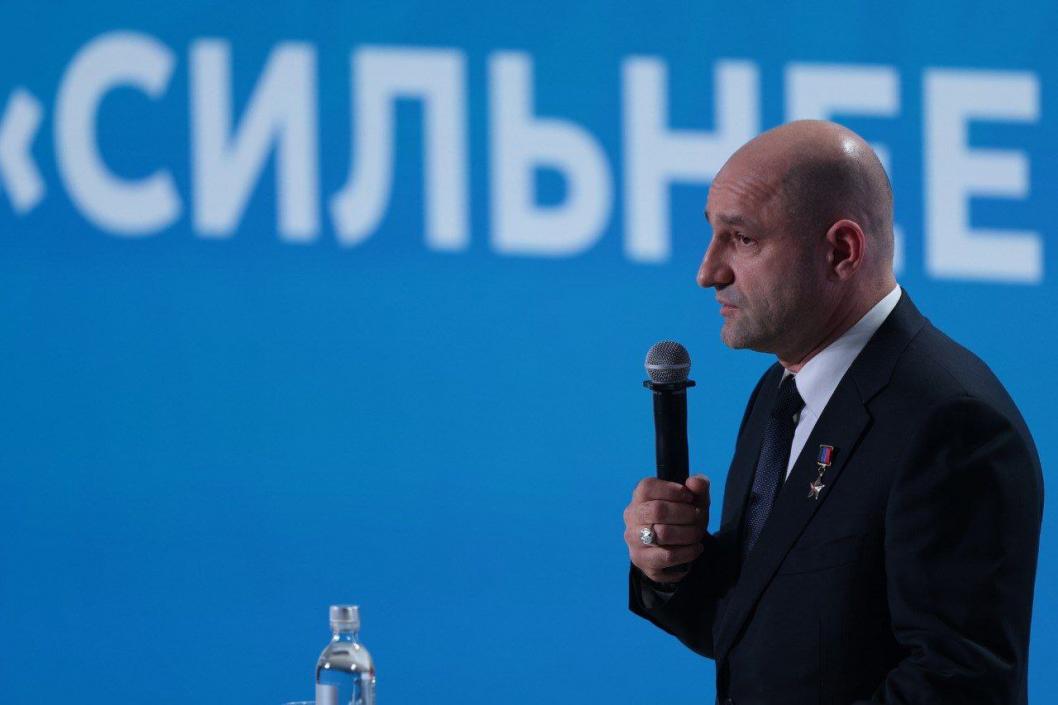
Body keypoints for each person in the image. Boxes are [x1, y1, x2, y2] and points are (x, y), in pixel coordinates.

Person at [623, 120, 1043, 704]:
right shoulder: (782, 390)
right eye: (713, 234)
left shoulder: (953, 424)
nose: (708, 272)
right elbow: (761, 626)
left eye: (742, 239)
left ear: (842, 251)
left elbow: (959, 686)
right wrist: (672, 566)